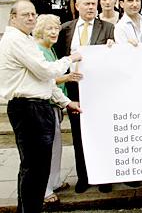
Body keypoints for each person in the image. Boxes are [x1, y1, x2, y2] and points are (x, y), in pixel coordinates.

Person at [0, 0, 82, 213]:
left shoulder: (24, 40)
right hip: (29, 109)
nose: (30, 18)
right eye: (25, 14)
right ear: (12, 17)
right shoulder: (15, 40)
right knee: (35, 170)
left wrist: (66, 102)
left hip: (37, 107)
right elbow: (46, 71)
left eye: (33, 14)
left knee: (34, 169)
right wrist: (69, 59)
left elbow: (43, 80)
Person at [54, 0, 115, 194]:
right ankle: (84, 176)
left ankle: (105, 176)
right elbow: (59, 59)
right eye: (87, 4)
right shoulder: (66, 29)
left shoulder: (107, 28)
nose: (91, 7)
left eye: (93, 4)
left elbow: (113, 57)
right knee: (79, 134)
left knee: (102, 132)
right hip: (74, 88)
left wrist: (111, 47)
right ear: (77, 6)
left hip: (99, 88)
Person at [33, 14, 81, 205]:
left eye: (56, 28)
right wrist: (68, 77)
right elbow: (48, 78)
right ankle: (45, 190)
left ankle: (54, 181)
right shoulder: (39, 50)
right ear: (40, 29)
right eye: (49, 29)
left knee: (55, 146)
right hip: (44, 105)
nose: (54, 32)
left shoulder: (48, 49)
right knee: (46, 149)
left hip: (54, 104)